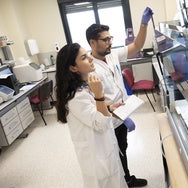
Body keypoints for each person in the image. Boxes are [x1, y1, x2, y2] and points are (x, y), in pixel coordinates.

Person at [86, 7, 154, 187]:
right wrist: (118, 114)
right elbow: (94, 100)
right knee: (114, 153)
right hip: (108, 120)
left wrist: (144, 23)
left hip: (122, 115)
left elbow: (137, 46)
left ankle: (126, 178)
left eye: (110, 38)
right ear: (93, 43)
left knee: (122, 149)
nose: (109, 42)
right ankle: (123, 181)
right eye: (105, 39)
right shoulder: (90, 68)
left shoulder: (113, 55)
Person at [55, 43, 128, 188]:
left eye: (88, 54)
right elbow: (100, 123)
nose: (90, 58)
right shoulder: (76, 97)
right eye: (84, 57)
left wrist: (109, 108)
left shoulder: (85, 86)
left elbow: (95, 112)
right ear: (73, 67)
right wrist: (99, 95)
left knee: (115, 179)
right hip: (96, 156)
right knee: (104, 182)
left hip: (105, 147)